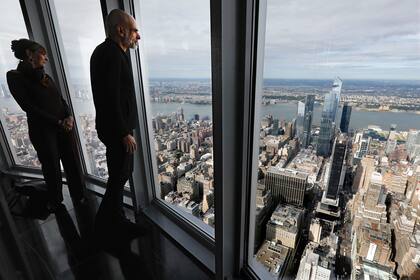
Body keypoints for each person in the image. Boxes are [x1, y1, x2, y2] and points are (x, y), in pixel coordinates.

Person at [6, 39, 85, 212]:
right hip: (43, 130)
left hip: (62, 126)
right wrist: (58, 122)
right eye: (43, 53)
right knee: (51, 167)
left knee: (71, 161)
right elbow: (28, 107)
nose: (46, 59)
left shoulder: (45, 76)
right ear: (29, 54)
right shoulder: (14, 77)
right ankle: (56, 202)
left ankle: (80, 196)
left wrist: (69, 115)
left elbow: (60, 100)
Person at [90, 9, 145, 241]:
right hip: (117, 130)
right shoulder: (112, 54)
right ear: (120, 30)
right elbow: (111, 97)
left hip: (110, 126)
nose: (138, 36)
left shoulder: (104, 51)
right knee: (121, 173)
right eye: (134, 31)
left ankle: (112, 220)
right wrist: (124, 132)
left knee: (118, 174)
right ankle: (106, 223)